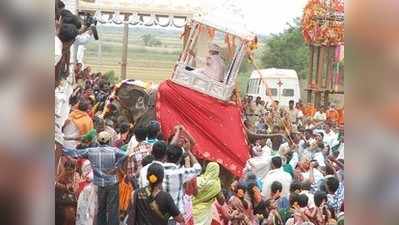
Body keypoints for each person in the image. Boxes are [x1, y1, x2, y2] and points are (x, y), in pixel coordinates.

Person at [62, 131, 128, 225]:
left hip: (99, 184)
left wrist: (61, 148)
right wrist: (116, 166)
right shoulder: (114, 150)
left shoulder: (91, 151)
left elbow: (74, 153)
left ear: (98, 141)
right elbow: (125, 154)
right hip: (112, 183)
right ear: (109, 141)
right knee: (113, 210)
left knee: (101, 209)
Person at [162, 144, 202, 223]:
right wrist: (189, 152)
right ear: (179, 159)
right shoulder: (180, 173)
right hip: (172, 216)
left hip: (155, 213)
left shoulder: (156, 167)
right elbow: (198, 168)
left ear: (166, 156)